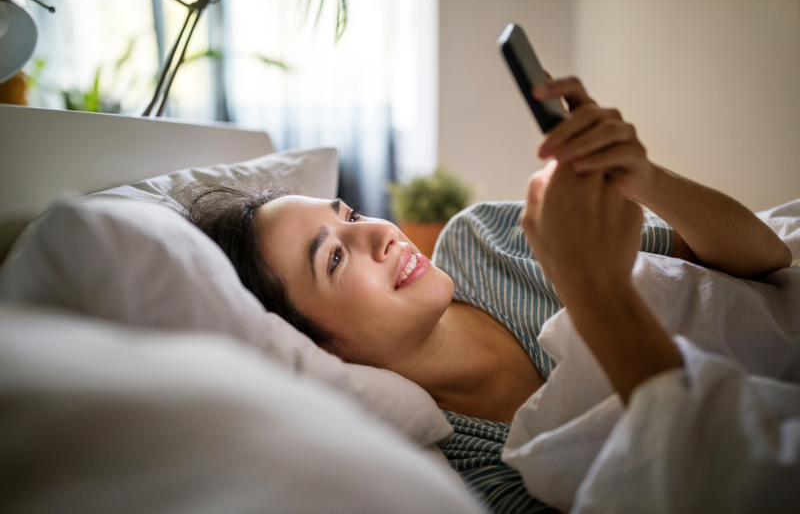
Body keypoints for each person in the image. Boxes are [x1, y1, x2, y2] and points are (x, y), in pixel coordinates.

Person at [179, 77, 794, 513]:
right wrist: (595, 290)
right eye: (334, 257)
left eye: (351, 213)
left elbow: (766, 260)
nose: (378, 232)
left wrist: (646, 177)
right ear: (312, 346)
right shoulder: (456, 467)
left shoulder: (484, 240)